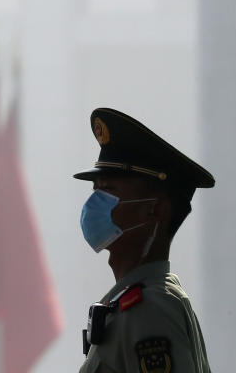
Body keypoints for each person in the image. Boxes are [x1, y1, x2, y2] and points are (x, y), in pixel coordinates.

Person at [76, 108, 213, 373]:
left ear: (154, 210)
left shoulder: (150, 309)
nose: (94, 203)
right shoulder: (139, 301)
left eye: (108, 190)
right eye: (96, 190)